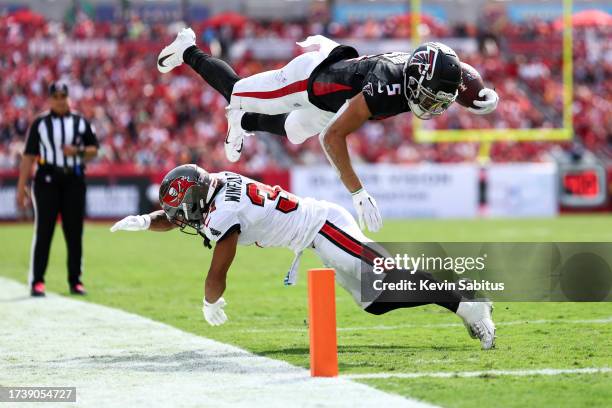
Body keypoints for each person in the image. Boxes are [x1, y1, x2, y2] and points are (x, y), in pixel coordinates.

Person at [110, 164, 495, 349]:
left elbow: (218, 270)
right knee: (375, 303)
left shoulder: (222, 212)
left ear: (195, 197)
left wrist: (210, 301)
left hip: (323, 226)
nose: (181, 218)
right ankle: (462, 298)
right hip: (317, 233)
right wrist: (146, 220)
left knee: (389, 275)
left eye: (183, 209)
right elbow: (183, 217)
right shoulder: (219, 184)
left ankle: (469, 304)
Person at [156, 29, 499, 233]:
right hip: (310, 81)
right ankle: (188, 48)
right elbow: (332, 138)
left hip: (335, 99)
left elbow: (459, 73)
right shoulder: (385, 86)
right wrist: (358, 192)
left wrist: (479, 94)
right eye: (429, 96)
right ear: (412, 80)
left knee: (292, 131)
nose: (434, 106)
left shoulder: (420, 67)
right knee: (238, 93)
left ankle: (243, 122)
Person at [16, 82, 99, 297]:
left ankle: (75, 281)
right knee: (44, 231)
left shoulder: (80, 121)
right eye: (56, 96)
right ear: (50, 99)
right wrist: (20, 187)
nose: (60, 100)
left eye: (64, 95)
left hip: (74, 179)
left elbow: (94, 150)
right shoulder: (40, 123)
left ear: (68, 97)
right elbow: (28, 157)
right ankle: (37, 281)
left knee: (74, 233)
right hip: (47, 180)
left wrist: (77, 152)